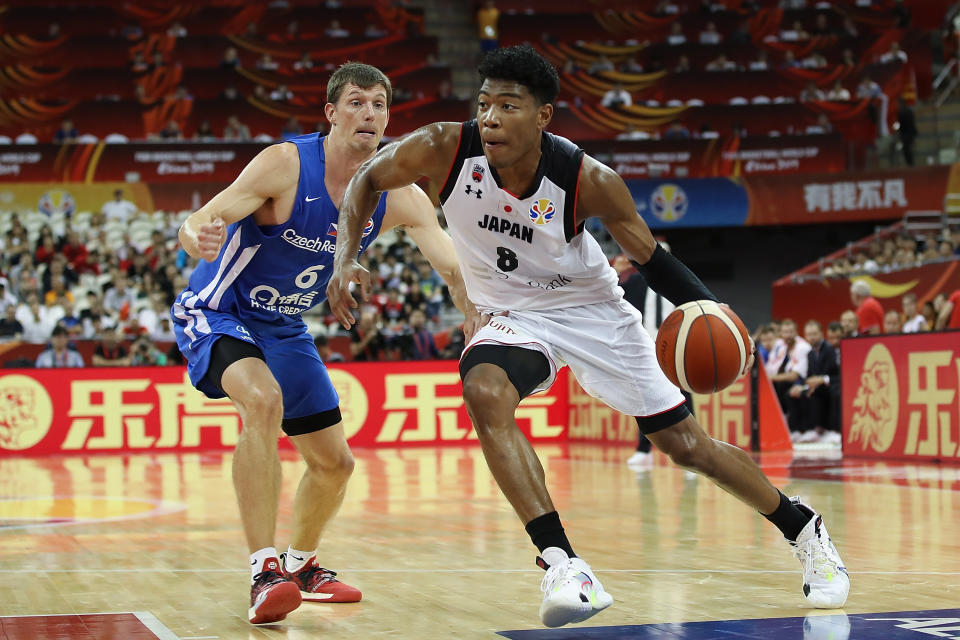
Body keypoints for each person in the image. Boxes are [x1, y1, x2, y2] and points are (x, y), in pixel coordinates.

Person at [328, 44, 848, 628]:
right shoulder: (444, 147)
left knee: (686, 447)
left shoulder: (587, 178)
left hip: (594, 313)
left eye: (508, 105)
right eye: (484, 104)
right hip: (510, 314)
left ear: (543, 116)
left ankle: (802, 527)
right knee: (484, 390)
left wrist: (711, 310)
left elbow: (653, 260)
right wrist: (347, 256)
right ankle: (563, 564)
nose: (491, 117)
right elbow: (367, 181)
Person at [171, 62, 476, 625]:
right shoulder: (285, 164)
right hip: (220, 313)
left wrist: (473, 313)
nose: (370, 114)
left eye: (380, 104)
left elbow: (452, 264)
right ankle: (265, 572)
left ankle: (301, 566)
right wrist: (198, 237)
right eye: (357, 102)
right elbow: (201, 217)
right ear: (331, 113)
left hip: (285, 327)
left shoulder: (397, 193)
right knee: (262, 402)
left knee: (334, 464)